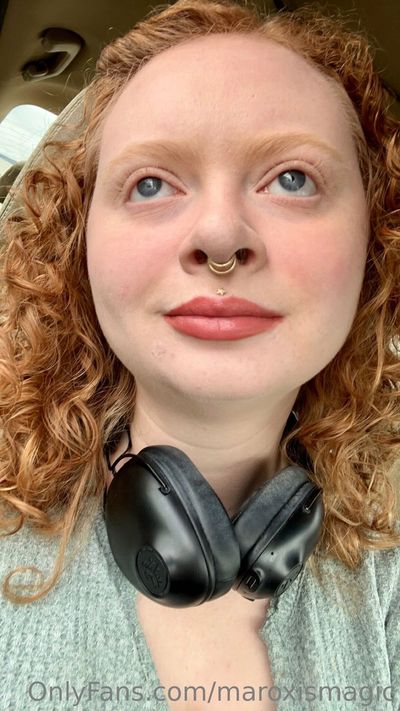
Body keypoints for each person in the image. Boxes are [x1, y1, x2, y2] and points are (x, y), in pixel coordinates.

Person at [0, 0, 399, 709]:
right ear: (77, 246)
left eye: (293, 179)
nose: (219, 235)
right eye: (151, 184)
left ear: (376, 245)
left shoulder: (386, 578)